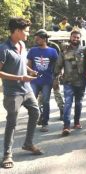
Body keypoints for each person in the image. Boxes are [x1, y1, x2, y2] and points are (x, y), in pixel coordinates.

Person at [0, 17, 43, 169]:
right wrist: (20, 77)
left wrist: (31, 71)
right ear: (17, 31)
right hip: (12, 92)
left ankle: (28, 143)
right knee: (12, 122)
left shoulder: (22, 44)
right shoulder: (3, 49)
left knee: (35, 112)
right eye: (26, 31)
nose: (28, 33)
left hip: (27, 89)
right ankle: (7, 154)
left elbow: (22, 62)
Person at [54, 30, 86, 136]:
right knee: (68, 103)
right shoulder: (64, 50)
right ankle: (66, 126)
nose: (75, 39)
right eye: (74, 37)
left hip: (81, 82)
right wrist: (55, 78)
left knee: (78, 103)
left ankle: (77, 122)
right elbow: (58, 65)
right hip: (68, 81)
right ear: (70, 37)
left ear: (80, 38)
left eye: (77, 37)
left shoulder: (84, 50)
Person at [27, 29, 58, 132]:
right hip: (34, 80)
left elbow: (56, 66)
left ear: (44, 38)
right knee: (31, 101)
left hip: (47, 81)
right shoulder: (32, 50)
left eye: (38, 38)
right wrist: (29, 74)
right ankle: (36, 117)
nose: (36, 39)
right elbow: (29, 64)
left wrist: (55, 79)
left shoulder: (53, 51)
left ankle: (45, 123)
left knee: (45, 101)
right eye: (36, 38)